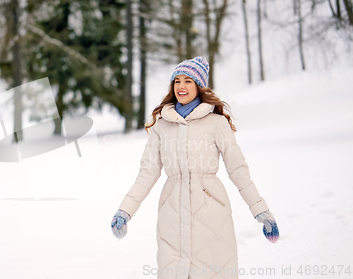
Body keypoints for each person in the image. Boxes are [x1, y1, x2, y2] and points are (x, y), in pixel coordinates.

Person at [110, 57, 279, 279]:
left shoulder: (216, 123)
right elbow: (147, 172)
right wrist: (125, 210)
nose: (181, 86)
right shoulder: (162, 126)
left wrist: (261, 210)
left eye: (188, 81)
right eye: (177, 81)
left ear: (199, 86)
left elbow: (238, 169)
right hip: (172, 215)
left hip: (211, 214)